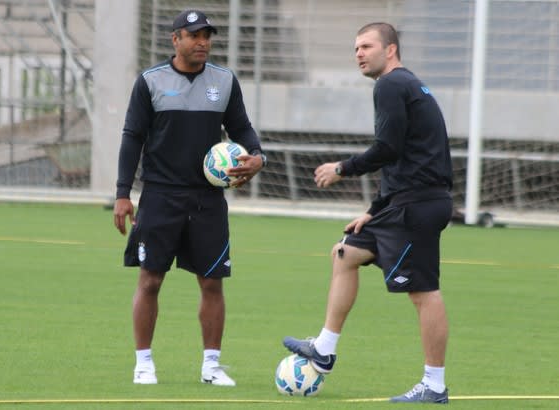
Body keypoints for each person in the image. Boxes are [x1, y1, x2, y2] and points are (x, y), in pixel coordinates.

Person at [282, 22, 453, 404]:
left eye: (366, 46)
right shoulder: (406, 85)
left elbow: (387, 148)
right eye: (355, 48)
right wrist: (373, 211)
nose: (359, 53)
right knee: (346, 252)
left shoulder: (391, 84)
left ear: (390, 50)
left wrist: (342, 168)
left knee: (424, 294)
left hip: (418, 206)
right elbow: (405, 158)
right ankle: (324, 349)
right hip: (403, 202)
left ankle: (434, 385)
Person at [113, 9, 266, 386]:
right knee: (150, 280)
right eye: (194, 35)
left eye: (207, 36)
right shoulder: (150, 82)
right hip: (161, 196)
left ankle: (211, 366)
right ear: (175, 39)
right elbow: (132, 137)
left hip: (207, 199)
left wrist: (258, 156)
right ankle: (144, 363)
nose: (203, 43)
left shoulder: (224, 81)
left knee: (212, 282)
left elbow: (241, 127)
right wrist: (122, 193)